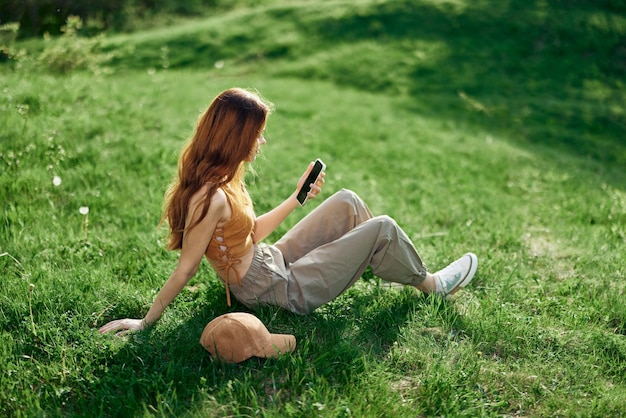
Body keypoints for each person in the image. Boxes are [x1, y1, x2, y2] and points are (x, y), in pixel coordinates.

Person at [98, 88, 478, 335]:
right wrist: (146, 321)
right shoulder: (209, 197)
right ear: (236, 138)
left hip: (268, 260)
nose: (261, 141)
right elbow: (186, 268)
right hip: (273, 289)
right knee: (383, 228)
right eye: (256, 134)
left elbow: (249, 237)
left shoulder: (225, 178)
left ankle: (383, 265)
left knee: (347, 201)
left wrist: (297, 198)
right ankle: (430, 285)